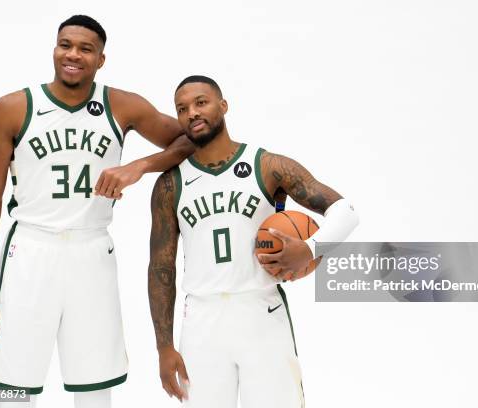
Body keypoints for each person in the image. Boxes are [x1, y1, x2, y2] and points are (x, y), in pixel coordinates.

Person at [0, 15, 194, 408]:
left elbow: (190, 139)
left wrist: (137, 166)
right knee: (14, 387)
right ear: (54, 49)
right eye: (65, 45)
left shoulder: (120, 105)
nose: (72, 55)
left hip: (92, 251)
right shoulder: (13, 108)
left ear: (101, 60)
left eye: (85, 49)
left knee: (94, 386)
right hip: (31, 248)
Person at [148, 75, 359, 407]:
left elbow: (345, 212)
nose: (192, 113)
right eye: (182, 108)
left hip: (261, 311)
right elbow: (161, 266)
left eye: (201, 102)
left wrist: (309, 250)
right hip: (201, 321)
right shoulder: (170, 185)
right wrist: (164, 347)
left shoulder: (267, 165)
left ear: (223, 105)